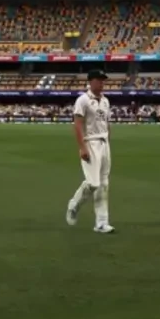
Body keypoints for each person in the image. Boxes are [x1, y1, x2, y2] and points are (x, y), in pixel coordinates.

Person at [66, 69, 113, 233]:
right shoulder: (83, 100)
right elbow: (77, 125)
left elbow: (107, 123)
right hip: (90, 142)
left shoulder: (105, 101)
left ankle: (101, 222)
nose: (102, 83)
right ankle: (74, 204)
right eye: (99, 80)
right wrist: (82, 147)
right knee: (93, 183)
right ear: (91, 81)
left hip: (104, 143)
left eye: (103, 80)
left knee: (104, 185)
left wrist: (108, 141)